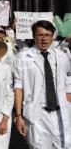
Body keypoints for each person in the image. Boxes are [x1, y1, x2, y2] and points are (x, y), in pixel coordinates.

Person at [13, 20, 71, 149]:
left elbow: (68, 85)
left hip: (60, 115)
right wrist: (18, 115)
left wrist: (67, 106)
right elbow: (18, 87)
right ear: (34, 36)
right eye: (40, 35)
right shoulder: (23, 58)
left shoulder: (62, 57)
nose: (44, 39)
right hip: (38, 115)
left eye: (48, 35)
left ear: (53, 36)